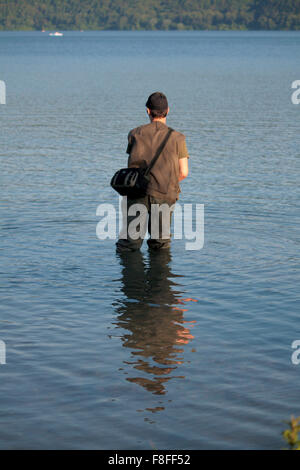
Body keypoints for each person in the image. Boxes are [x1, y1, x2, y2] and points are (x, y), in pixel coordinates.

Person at [116, 91, 189, 252]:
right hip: (164, 194)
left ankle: (131, 276)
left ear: (148, 111)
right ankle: (159, 275)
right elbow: (183, 172)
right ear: (168, 110)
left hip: (137, 193)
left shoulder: (134, 134)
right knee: (160, 245)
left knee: (129, 243)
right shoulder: (178, 138)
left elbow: (132, 162)